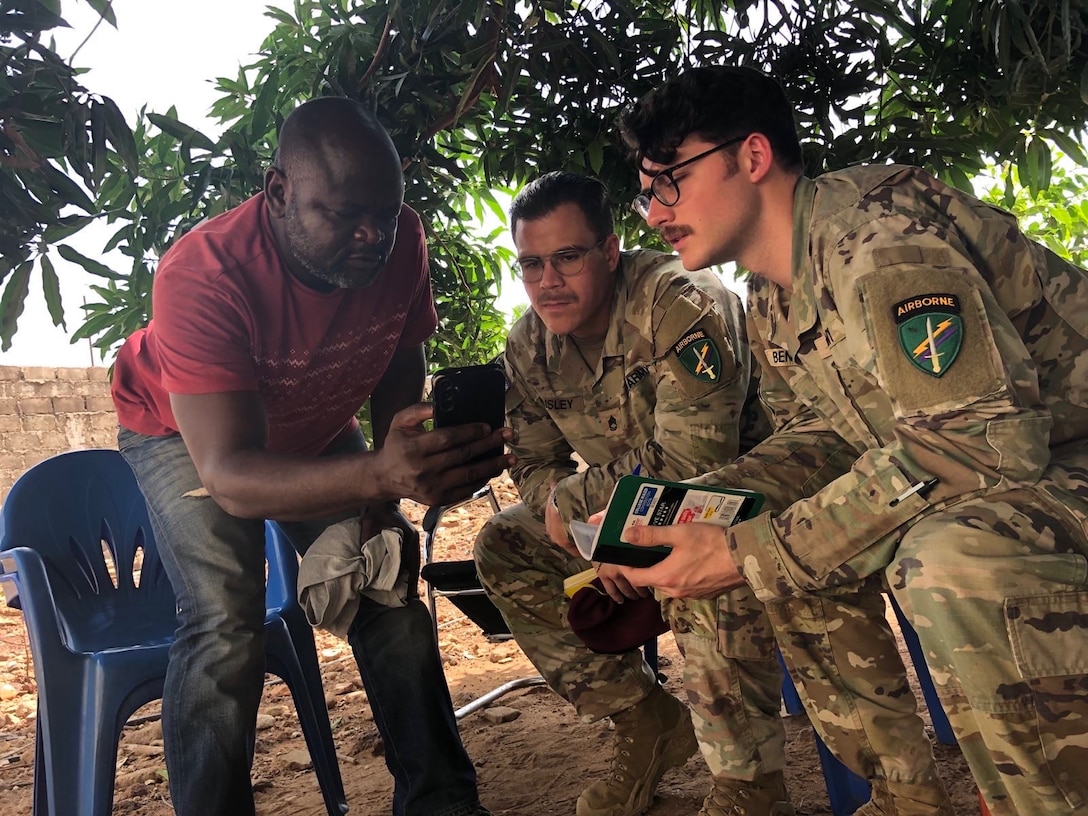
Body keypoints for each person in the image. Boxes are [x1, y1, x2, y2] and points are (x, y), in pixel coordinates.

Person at [618, 65, 1088, 816]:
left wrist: (753, 549)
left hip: (1064, 457)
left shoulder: (877, 240)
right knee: (757, 530)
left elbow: (981, 443)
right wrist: (710, 510)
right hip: (1034, 467)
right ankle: (903, 798)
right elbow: (828, 441)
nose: (653, 214)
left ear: (753, 157)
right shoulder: (773, 298)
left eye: (670, 179)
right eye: (647, 192)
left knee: (946, 558)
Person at [110, 97, 511, 816]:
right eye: (345, 214)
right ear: (279, 192)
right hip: (188, 432)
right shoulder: (204, 274)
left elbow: (398, 355)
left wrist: (395, 476)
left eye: (384, 216)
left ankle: (442, 803)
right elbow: (230, 476)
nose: (372, 235)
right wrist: (376, 473)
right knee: (223, 620)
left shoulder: (402, 240)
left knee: (387, 582)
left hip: (315, 416)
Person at [474, 171, 796, 816]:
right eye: (531, 264)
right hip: (622, 519)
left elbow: (696, 457)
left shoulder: (680, 301)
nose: (548, 281)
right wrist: (593, 535)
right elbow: (535, 466)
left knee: (688, 559)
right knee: (505, 543)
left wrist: (589, 515)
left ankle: (748, 786)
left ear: (610, 250)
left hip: (741, 503)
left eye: (567, 257)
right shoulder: (528, 343)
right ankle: (645, 721)